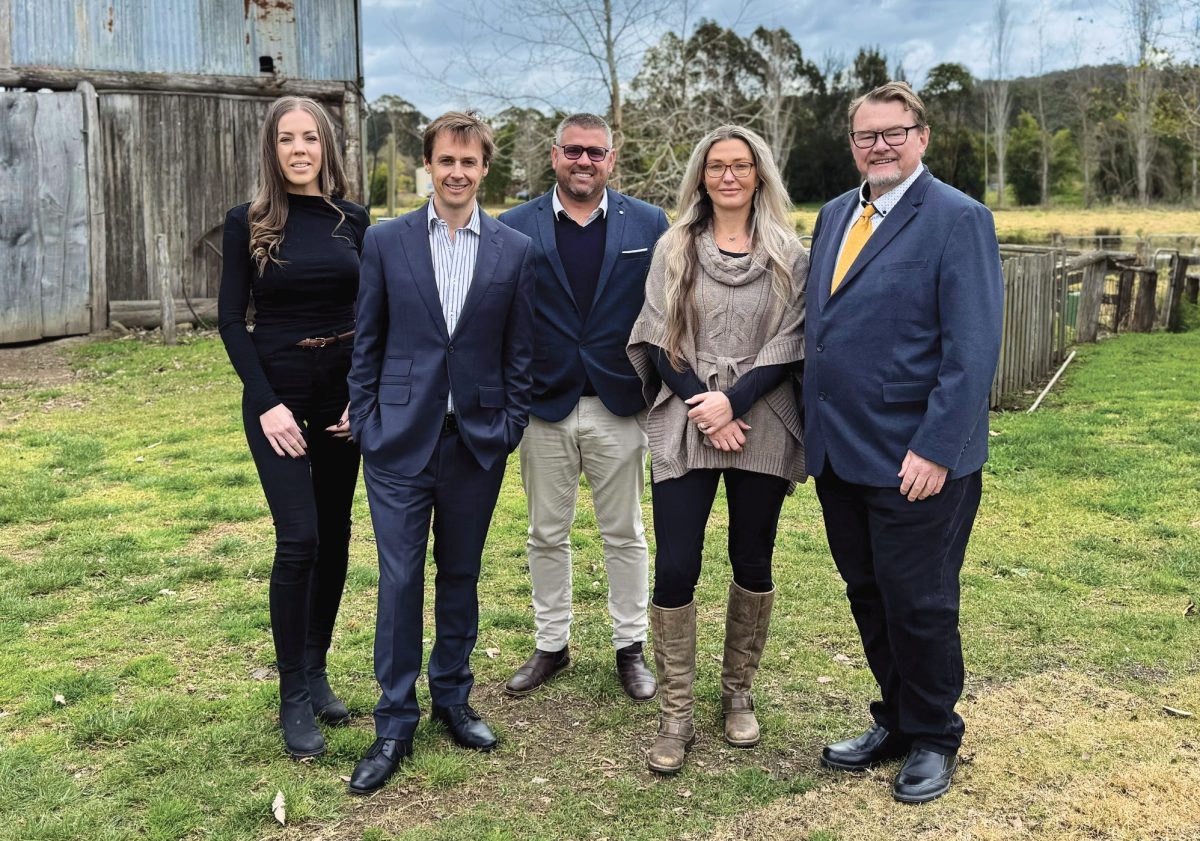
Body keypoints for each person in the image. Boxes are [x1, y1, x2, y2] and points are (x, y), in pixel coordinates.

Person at [804, 81, 1003, 804]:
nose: (879, 145)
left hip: (916, 458)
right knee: (869, 593)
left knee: (919, 601)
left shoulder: (956, 219)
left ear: (922, 136)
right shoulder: (833, 215)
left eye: (894, 132)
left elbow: (973, 349)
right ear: (852, 144)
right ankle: (895, 718)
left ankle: (933, 736)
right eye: (866, 135)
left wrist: (938, 446)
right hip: (839, 452)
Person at [345, 111, 535, 794]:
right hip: (397, 440)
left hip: (476, 441)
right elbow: (367, 338)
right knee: (398, 582)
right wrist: (366, 419)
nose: (458, 172)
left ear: (486, 169)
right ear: (428, 164)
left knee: (460, 574)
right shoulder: (386, 241)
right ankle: (394, 719)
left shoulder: (514, 249)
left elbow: (521, 351)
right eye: (446, 160)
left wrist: (509, 424)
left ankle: (453, 695)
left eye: (470, 162)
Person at [627, 125, 807, 775]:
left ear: (759, 174)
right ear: (701, 177)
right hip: (686, 416)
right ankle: (677, 711)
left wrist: (734, 402)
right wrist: (706, 403)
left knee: (752, 555)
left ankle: (737, 693)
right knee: (676, 564)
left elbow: (791, 342)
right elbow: (654, 333)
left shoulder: (790, 252)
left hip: (762, 417)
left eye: (741, 165)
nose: (728, 175)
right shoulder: (675, 247)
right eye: (716, 166)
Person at [217, 96, 370, 758]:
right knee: (300, 537)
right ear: (272, 150)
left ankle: (316, 669)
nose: (301, 148)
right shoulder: (246, 223)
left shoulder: (354, 221)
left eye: (311, 137)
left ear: (327, 147)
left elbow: (375, 314)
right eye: (288, 139)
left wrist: (360, 394)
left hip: (341, 397)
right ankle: (290, 694)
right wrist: (268, 400)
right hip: (277, 392)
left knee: (335, 533)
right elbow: (230, 318)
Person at [498, 114, 668, 702]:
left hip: (619, 401)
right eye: (573, 151)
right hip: (544, 404)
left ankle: (630, 647)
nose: (584, 162)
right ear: (554, 156)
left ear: (611, 159)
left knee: (625, 533)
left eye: (595, 153)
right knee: (547, 532)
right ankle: (552, 644)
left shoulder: (648, 223)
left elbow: (663, 314)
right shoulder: (514, 227)